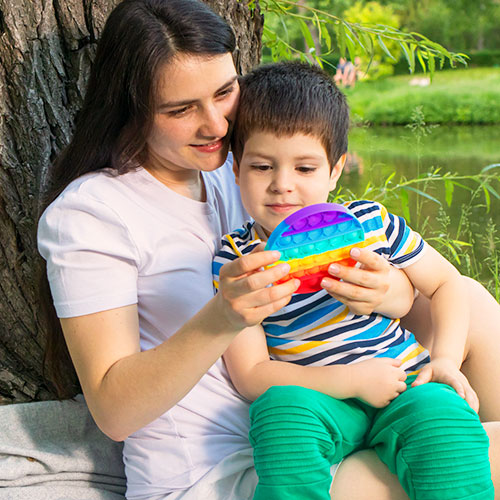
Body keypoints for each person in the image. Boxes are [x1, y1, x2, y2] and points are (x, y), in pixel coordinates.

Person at [36, 0, 500, 499]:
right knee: (477, 452)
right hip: (230, 458)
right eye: (180, 109)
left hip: (341, 401)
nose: (215, 125)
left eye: (223, 92)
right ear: (131, 106)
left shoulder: (235, 168)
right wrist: (222, 317)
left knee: (466, 302)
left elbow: (419, 280)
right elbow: (114, 412)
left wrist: (388, 291)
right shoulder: (93, 213)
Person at [213, 61, 494, 500]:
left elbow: (448, 284)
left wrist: (446, 360)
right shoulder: (238, 259)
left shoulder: (368, 223)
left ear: (336, 169)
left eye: (305, 169)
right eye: (262, 166)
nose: (282, 186)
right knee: (278, 411)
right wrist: (352, 382)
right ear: (235, 168)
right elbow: (251, 374)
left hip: (404, 385)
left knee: (445, 416)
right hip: (319, 400)